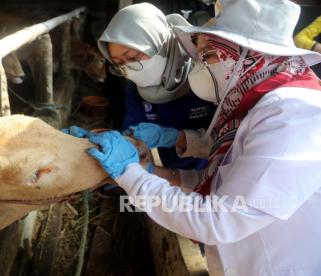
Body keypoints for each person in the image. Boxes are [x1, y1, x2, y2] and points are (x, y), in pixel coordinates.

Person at [81, 0, 321, 274]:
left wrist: (131, 174)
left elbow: (219, 219)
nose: (200, 66)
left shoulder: (293, 117)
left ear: (244, 56)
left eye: (207, 56)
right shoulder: (255, 102)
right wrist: (160, 173)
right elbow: (227, 182)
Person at [69, 3, 216, 178]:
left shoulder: (208, 75)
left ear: (158, 42)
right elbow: (133, 135)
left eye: (132, 57)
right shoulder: (136, 86)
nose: (129, 69)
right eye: (119, 63)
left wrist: (172, 137)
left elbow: (229, 139)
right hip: (172, 174)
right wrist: (96, 145)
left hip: (220, 169)